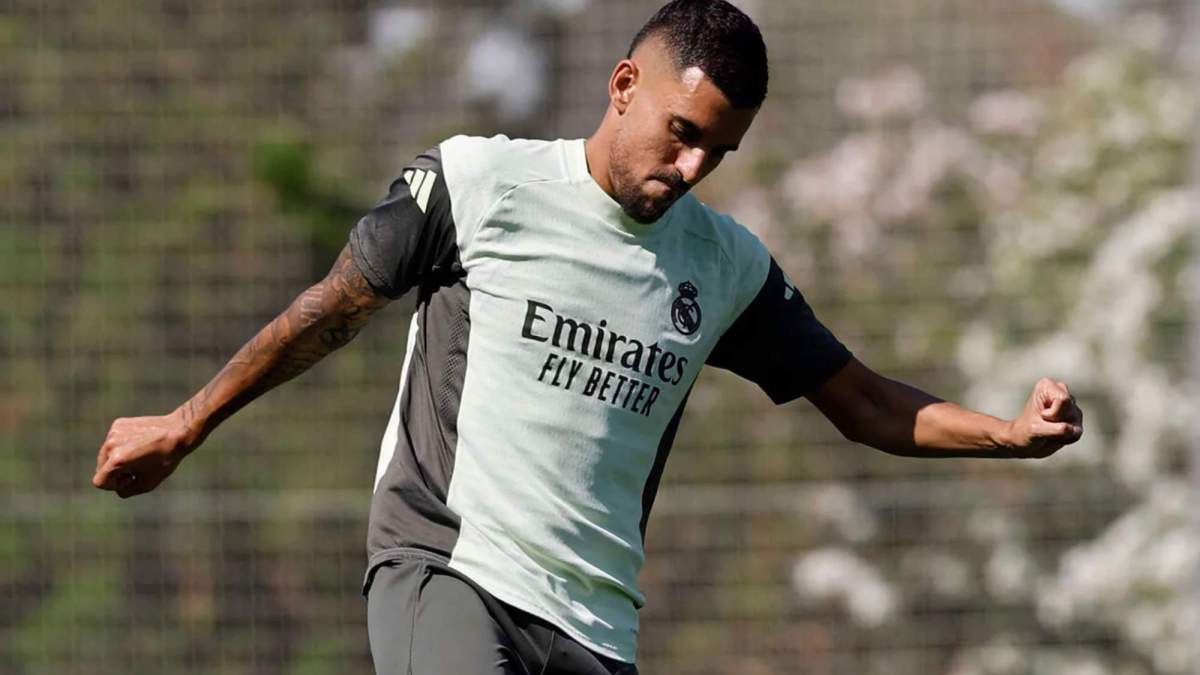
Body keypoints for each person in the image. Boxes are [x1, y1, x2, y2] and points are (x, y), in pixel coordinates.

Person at [92, 1, 1085, 673]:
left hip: (599, 624)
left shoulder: (725, 265)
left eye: (720, 151)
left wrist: (1007, 434)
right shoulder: (481, 184)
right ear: (622, 84)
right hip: (451, 570)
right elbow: (332, 307)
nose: (693, 168)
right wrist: (187, 421)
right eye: (683, 132)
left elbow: (860, 400)